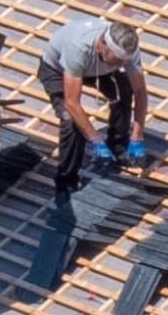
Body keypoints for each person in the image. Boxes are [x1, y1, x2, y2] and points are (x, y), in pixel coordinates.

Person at [37, 13, 149, 196]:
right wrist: (96, 141)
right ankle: (66, 180)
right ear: (102, 45)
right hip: (57, 70)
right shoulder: (78, 48)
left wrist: (137, 136)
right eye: (118, 59)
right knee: (71, 123)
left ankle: (118, 147)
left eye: (125, 61)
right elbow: (72, 103)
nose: (122, 64)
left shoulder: (128, 51)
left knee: (124, 91)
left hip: (99, 68)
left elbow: (140, 92)